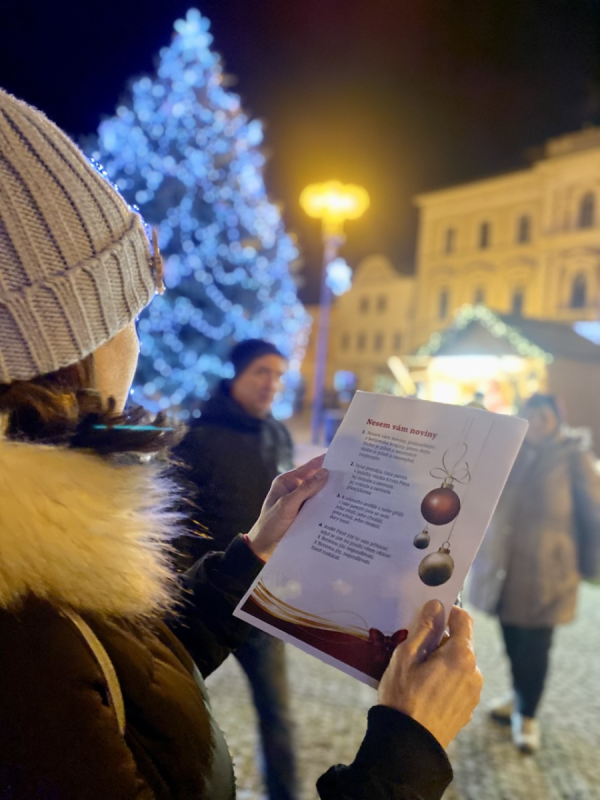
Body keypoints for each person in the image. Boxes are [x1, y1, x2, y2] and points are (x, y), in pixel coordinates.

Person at [0, 87, 482, 800]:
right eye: (126, 312)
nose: (138, 337)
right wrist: (406, 750)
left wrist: (250, 553)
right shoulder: (21, 646)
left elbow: (125, 677)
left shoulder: (41, 561)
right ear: (62, 344)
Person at [175, 339, 298, 799]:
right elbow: (179, 520)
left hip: (263, 599)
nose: (272, 383)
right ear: (236, 376)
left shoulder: (278, 434)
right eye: (262, 372)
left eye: (280, 374)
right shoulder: (199, 436)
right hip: (208, 595)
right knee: (184, 705)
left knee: (277, 713)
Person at [469, 393, 600, 754]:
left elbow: (595, 512)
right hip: (504, 568)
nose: (538, 420)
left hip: (548, 572)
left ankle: (528, 715)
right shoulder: (508, 450)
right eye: (532, 413)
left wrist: (593, 566)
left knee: (536, 647)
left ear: (558, 419)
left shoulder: (573, 457)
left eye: (545, 415)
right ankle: (517, 695)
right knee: (512, 639)